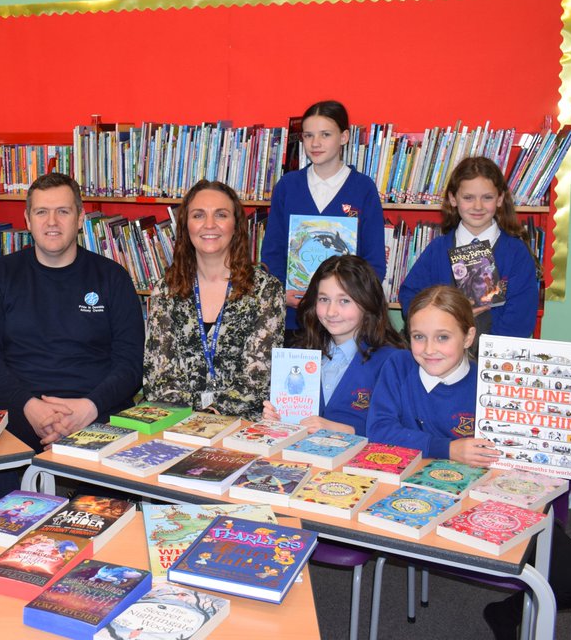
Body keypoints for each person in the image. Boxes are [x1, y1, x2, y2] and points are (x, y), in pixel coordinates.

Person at [368, 285, 571, 639]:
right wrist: (446, 448)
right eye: (418, 337)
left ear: (469, 335)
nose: (429, 350)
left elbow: (533, 441)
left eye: (443, 337)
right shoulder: (398, 366)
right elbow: (379, 432)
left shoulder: (497, 381)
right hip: (420, 501)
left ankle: (507, 613)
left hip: (495, 504)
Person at [0, 172, 145, 454]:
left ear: (79, 219)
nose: (52, 222)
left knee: (107, 489)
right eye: (42, 212)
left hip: (97, 407)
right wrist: (30, 406)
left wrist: (89, 408)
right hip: (18, 406)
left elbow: (131, 364)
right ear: (28, 220)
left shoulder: (113, 277)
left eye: (63, 211)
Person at [143, 180, 283, 420]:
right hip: (176, 424)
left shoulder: (265, 291)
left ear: (237, 225)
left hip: (241, 428)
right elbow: (158, 379)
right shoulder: (166, 290)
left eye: (221, 215)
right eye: (198, 215)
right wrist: (197, 415)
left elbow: (257, 380)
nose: (209, 225)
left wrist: (211, 413)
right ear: (186, 225)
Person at [261, 100, 386, 329]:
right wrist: (281, 291)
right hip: (293, 318)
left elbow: (374, 260)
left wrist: (349, 298)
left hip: (346, 319)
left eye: (325, 134)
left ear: (344, 137)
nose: (315, 143)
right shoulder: (288, 186)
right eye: (308, 136)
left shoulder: (363, 188)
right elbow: (272, 251)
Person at [262, 254, 407, 434]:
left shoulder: (392, 361)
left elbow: (400, 431)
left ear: (367, 302)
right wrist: (275, 418)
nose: (331, 312)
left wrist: (338, 429)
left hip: (357, 460)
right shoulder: (298, 353)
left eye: (344, 301)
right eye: (324, 300)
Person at [399, 156, 539, 339]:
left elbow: (521, 316)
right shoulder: (438, 249)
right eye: (468, 198)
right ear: (453, 199)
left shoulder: (516, 252)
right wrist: (446, 318)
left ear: (500, 199)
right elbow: (411, 296)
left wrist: (488, 354)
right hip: (438, 353)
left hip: (492, 356)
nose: (478, 206)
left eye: (487, 197)